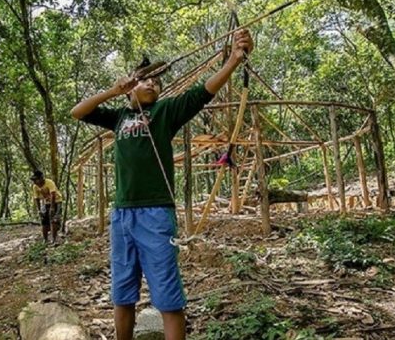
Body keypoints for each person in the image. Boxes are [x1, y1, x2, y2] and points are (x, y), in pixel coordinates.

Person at [71, 29, 254, 340]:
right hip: (122, 216)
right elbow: (77, 111)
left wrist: (235, 60)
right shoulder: (117, 118)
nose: (153, 84)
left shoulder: (165, 111)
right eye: (146, 80)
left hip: (156, 214)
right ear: (131, 84)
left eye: (157, 82)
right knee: (122, 294)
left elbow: (202, 92)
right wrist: (116, 90)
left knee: (169, 297)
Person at [30, 170, 63, 244]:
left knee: (54, 220)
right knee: (44, 222)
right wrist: (39, 210)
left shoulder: (49, 182)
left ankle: (54, 239)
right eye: (34, 180)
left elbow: (53, 194)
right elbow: (36, 198)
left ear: (41, 178)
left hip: (56, 201)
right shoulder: (35, 187)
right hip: (45, 203)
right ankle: (45, 240)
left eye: (36, 180)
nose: (35, 182)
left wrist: (52, 207)